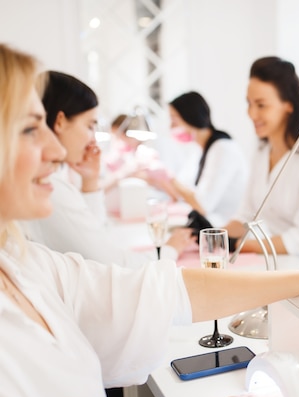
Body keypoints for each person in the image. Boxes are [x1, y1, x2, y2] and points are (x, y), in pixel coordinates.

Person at [0, 43, 299, 397]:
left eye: (261, 105)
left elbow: (166, 289)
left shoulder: (30, 268)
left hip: (297, 263)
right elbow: (168, 273)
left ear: (287, 105)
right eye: (29, 129)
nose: (56, 152)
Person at [18, 70, 192, 267]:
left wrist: (90, 181)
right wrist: (170, 250)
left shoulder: (52, 181)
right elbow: (113, 265)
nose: (93, 138)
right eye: (90, 125)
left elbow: (96, 237)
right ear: (60, 122)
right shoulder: (51, 188)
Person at [224, 56, 299, 258]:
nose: (251, 114)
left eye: (261, 105)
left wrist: (239, 245)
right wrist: (214, 235)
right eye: (249, 103)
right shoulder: (261, 152)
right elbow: (246, 216)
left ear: (288, 105)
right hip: (271, 262)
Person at [141, 91, 248, 227]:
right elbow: (180, 193)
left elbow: (203, 205)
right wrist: (156, 177)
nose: (171, 127)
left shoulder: (223, 149)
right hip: (209, 225)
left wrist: (168, 176)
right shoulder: (199, 150)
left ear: (191, 117)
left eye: (174, 119)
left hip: (225, 230)